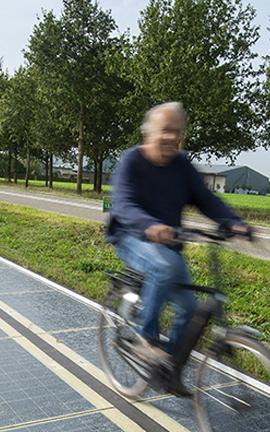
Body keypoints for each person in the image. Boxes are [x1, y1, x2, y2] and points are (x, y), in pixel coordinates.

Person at [106, 102, 250, 395]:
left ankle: (168, 372)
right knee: (164, 266)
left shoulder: (181, 164)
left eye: (178, 132)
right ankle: (145, 339)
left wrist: (233, 223)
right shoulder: (132, 160)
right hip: (131, 237)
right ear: (148, 135)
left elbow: (206, 199)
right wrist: (150, 226)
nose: (172, 137)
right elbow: (123, 204)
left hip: (168, 243)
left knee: (190, 310)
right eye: (166, 131)